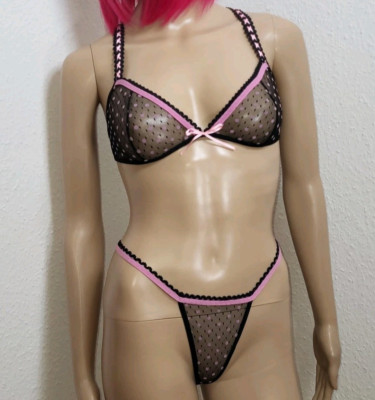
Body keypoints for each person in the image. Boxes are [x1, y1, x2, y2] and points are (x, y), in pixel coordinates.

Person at [61, 1, 341, 399]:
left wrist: (326, 318)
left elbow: (305, 184)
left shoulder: (275, 38)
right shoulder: (90, 65)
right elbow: (82, 226)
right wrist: (82, 373)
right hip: (148, 303)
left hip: (262, 301)